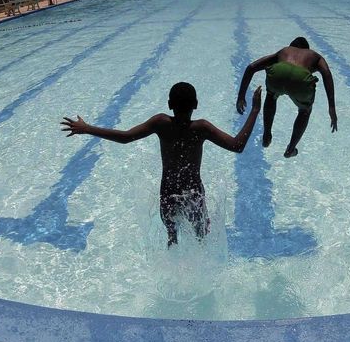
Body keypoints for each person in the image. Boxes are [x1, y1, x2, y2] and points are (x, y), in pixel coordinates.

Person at [61, 82, 262, 246]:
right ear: (196, 104)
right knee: (202, 239)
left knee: (172, 241)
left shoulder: (161, 123)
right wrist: (254, 109)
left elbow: (125, 137)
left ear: (169, 104)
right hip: (193, 193)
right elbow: (237, 145)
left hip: (168, 194)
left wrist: (87, 128)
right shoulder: (202, 128)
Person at [236, 37, 337, 158]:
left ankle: (267, 134)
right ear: (306, 49)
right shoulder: (314, 55)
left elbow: (251, 67)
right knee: (305, 111)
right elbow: (327, 75)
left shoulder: (285, 51)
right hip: (301, 80)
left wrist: (241, 96)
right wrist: (331, 107)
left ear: (292, 46)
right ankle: (291, 148)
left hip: (278, 73)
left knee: (271, 96)